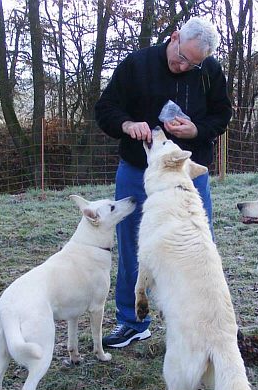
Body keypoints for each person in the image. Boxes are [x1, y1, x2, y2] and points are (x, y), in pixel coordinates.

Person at [94, 17, 232, 348]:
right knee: (132, 245)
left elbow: (221, 115)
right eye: (182, 57)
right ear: (174, 37)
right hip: (137, 170)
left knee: (198, 247)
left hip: (186, 175)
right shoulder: (137, 64)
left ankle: (202, 321)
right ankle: (132, 321)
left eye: (193, 64)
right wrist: (127, 124)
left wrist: (196, 130)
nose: (184, 67)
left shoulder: (209, 71)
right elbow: (105, 108)